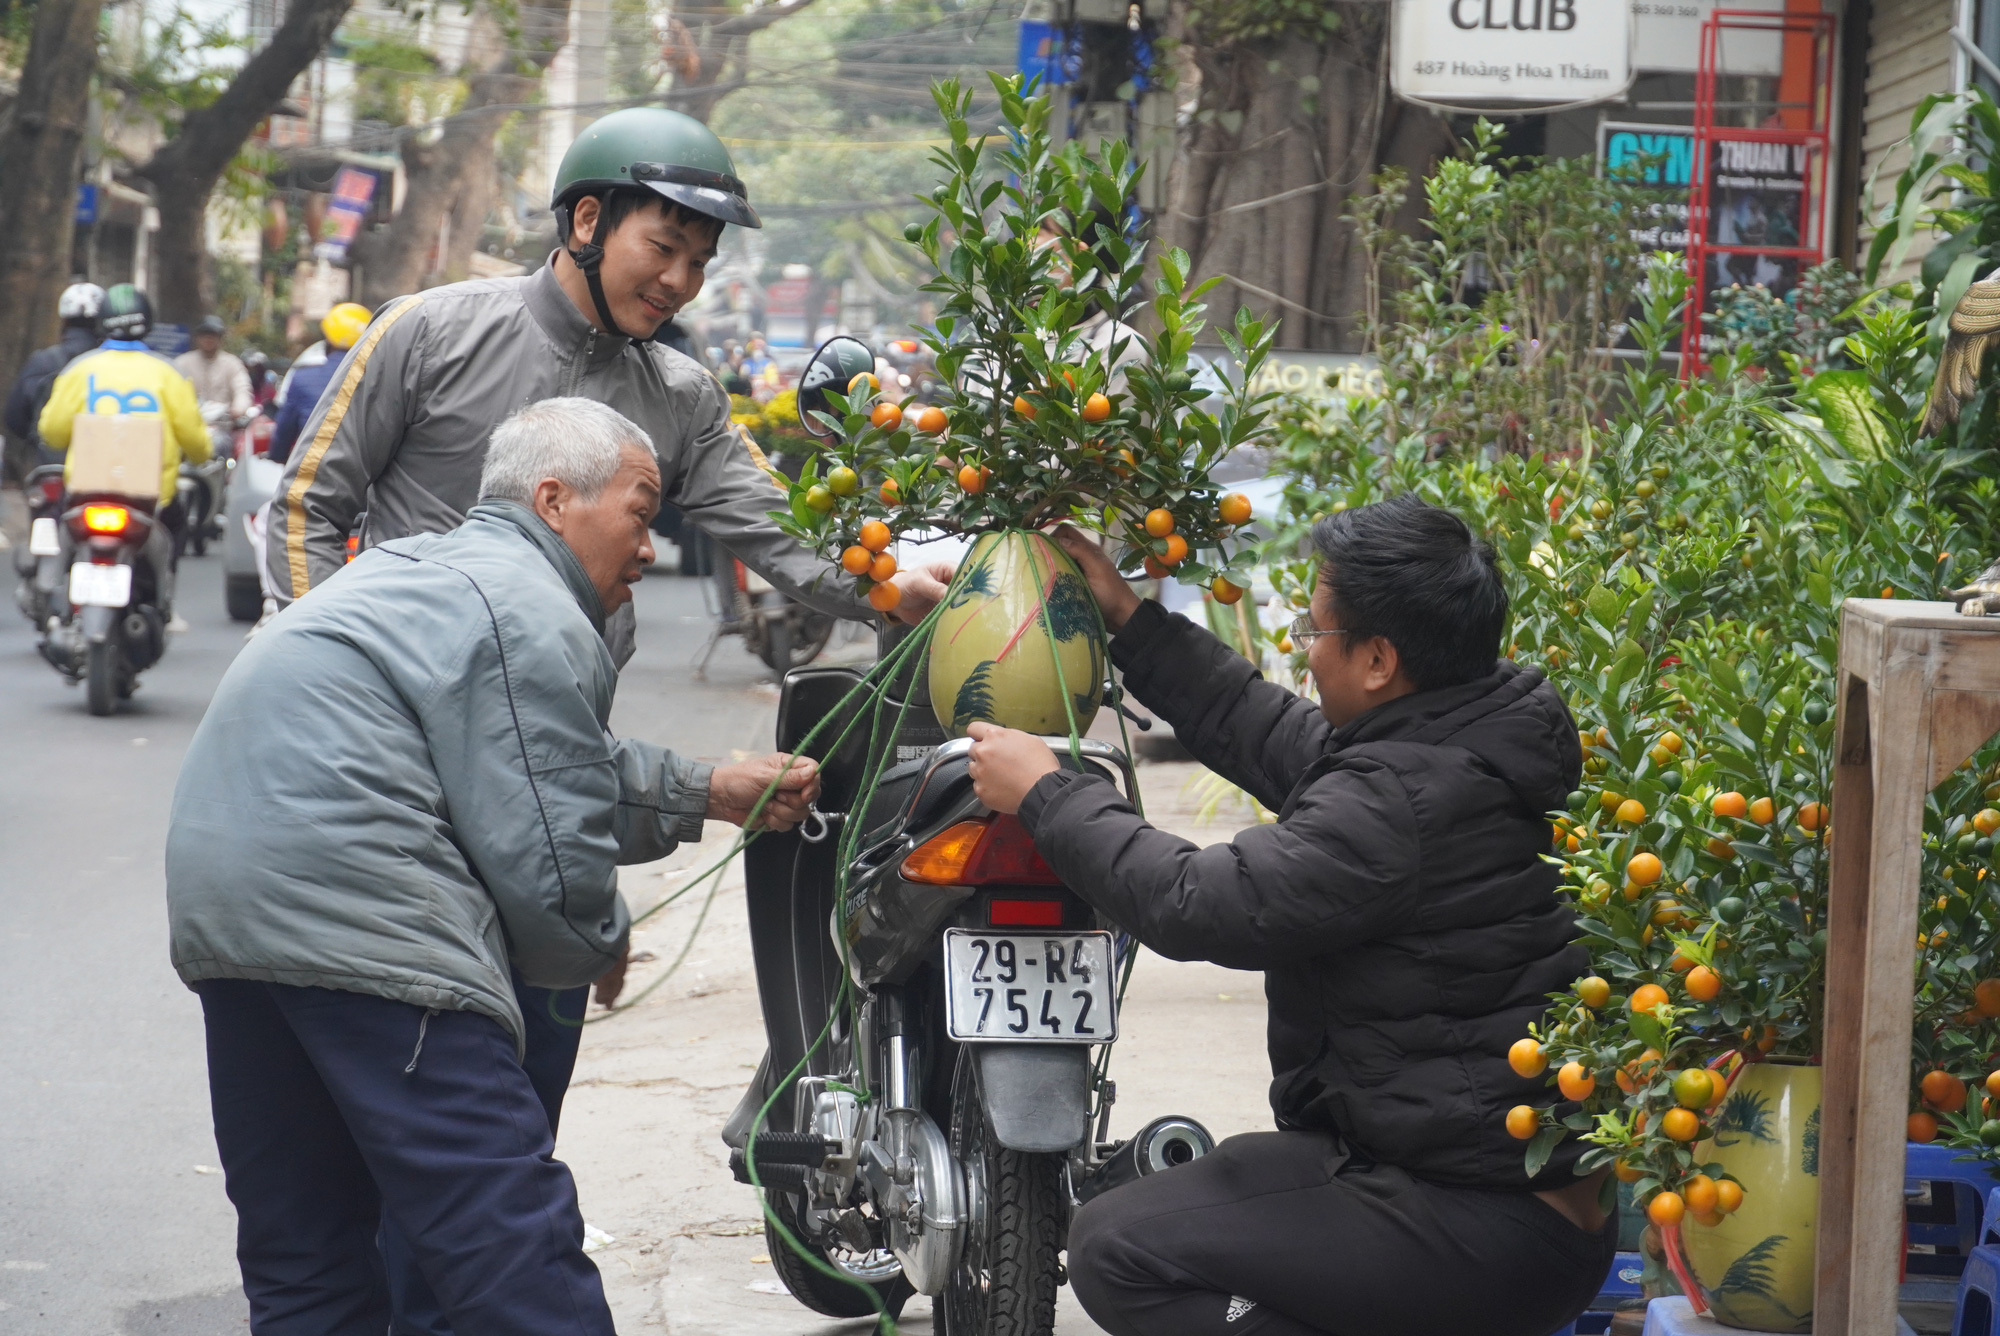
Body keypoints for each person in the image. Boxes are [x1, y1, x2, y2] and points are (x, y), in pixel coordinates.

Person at [259, 106, 949, 1333]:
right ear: (584, 221)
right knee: (393, 1156)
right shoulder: (432, 331)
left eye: (699, 260)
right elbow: (311, 499)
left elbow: (780, 537)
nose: (678, 279)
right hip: (390, 794)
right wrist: (338, 669)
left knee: (503, 1128)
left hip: (537, 774)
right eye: (660, 247)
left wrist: (903, 584)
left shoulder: (679, 395)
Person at [167, 398, 820, 1336]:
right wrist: (597, 939)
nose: (650, 546)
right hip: (367, 912)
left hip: (229, 914)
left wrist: (709, 787)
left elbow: (521, 762)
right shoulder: (531, 609)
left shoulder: (421, 570)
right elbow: (545, 856)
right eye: (641, 511)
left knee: (305, 1260)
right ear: (555, 499)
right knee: (509, 1246)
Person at [963, 495, 1617, 1336]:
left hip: (1486, 1225)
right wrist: (1128, 618)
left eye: (1314, 634)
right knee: (1148, 1202)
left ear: (1379, 658)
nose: (1304, 657)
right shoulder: (1462, 733)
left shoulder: (1401, 803)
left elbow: (1195, 902)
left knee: (1118, 1247)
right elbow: (1270, 731)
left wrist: (1049, 794)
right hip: (1481, 1182)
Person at [37, 285, 209, 619]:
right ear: (148, 323)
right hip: (153, 498)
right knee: (174, 530)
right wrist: (202, 454)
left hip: (85, 491)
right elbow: (195, 441)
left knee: (59, 529)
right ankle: (164, 607)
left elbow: (52, 432)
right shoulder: (169, 373)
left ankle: (55, 599)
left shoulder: (80, 369)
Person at [4, 281, 104, 474]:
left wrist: (37, 438)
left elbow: (14, 417)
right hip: (99, 465)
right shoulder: (110, 364)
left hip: (50, 466)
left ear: (64, 320)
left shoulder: (42, 361)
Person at [267, 302, 371, 464]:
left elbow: (284, 432)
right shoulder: (380, 378)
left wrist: (277, 457)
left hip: (314, 470)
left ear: (328, 340)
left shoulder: (303, 377)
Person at [175, 314, 254, 447]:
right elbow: (173, 390)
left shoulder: (232, 364)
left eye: (213, 335)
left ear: (220, 339)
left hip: (222, 428)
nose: (208, 339)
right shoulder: (182, 363)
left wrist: (238, 409)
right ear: (197, 338)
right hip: (188, 426)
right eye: (204, 335)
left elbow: (242, 389)